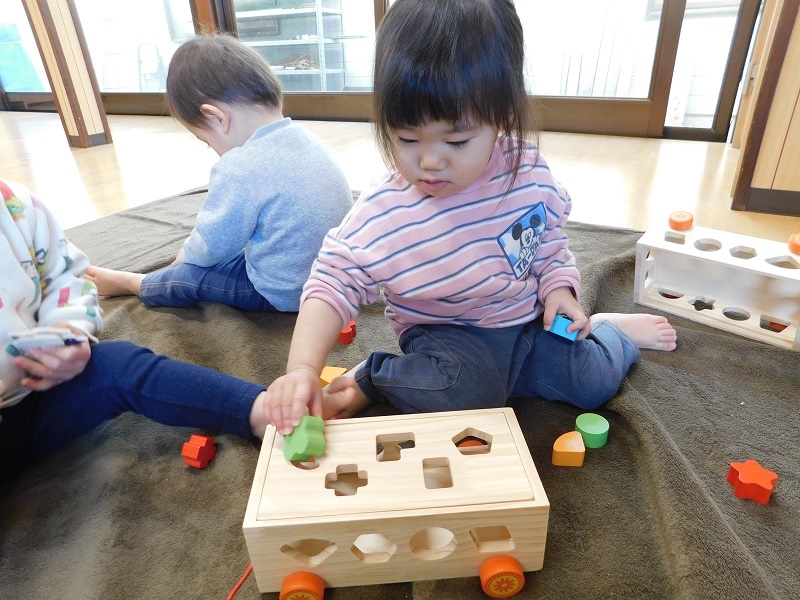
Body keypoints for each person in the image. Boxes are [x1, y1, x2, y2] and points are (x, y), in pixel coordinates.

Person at [260, 0, 677, 435]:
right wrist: (302, 368)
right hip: (446, 335)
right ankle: (374, 377)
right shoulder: (385, 213)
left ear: (503, 116)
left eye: (457, 141)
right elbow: (332, 282)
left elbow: (546, 243)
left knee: (594, 384)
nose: (429, 162)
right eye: (406, 138)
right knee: (468, 393)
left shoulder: (526, 172)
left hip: (525, 321)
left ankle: (609, 331)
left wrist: (559, 289)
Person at [0, 178, 272, 484]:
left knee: (117, 363)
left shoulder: (16, 205)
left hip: (37, 396)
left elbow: (66, 280)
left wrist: (70, 332)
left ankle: (260, 410)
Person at [84, 34, 353, 313]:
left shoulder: (239, 167)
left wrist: (185, 256)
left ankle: (135, 283)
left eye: (206, 140)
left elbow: (212, 244)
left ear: (217, 118)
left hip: (285, 291)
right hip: (333, 280)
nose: (214, 150)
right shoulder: (309, 138)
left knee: (191, 275)